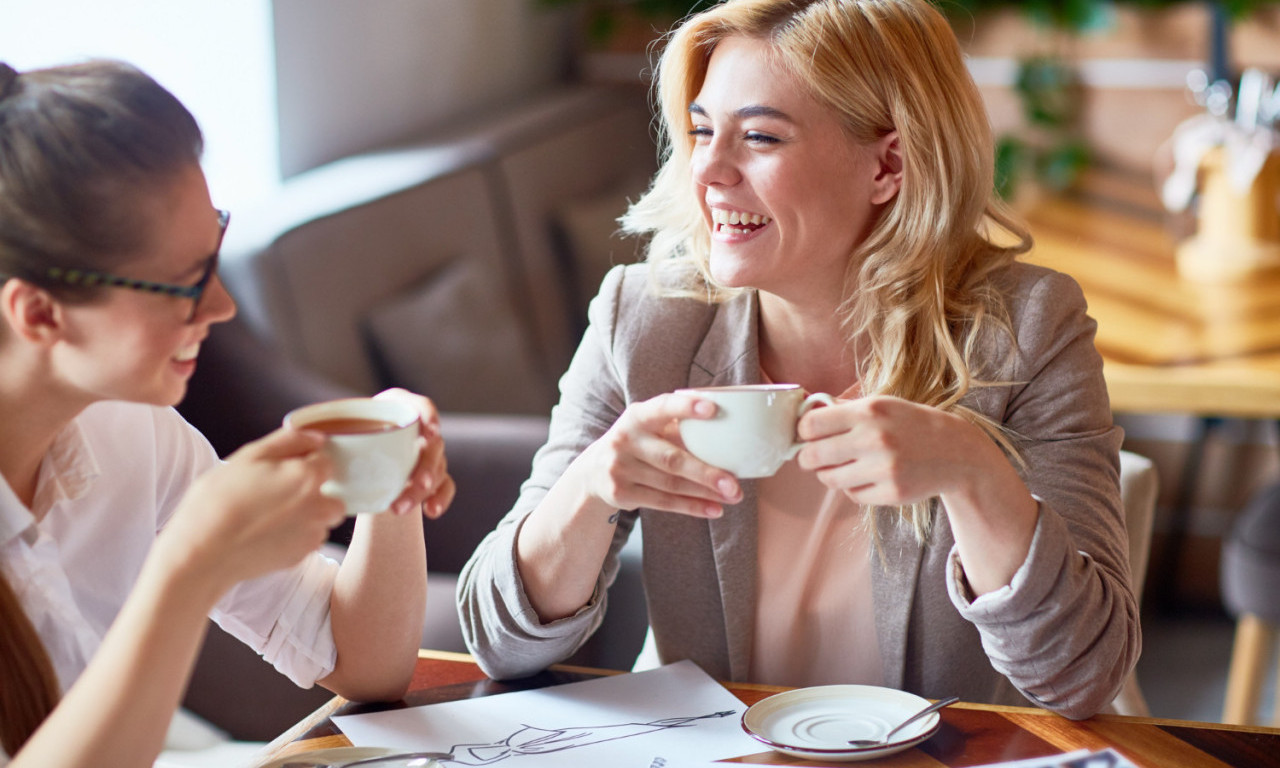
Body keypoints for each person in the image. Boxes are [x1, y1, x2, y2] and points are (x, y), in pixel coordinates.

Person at [458, 0, 1138, 720]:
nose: (709, 171)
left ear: (888, 165)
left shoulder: (1027, 329)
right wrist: (592, 485)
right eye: (699, 132)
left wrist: (976, 474)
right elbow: (499, 645)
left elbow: (1083, 676)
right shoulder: (646, 317)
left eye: (758, 137)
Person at [0, 60, 455, 767]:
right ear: (38, 313)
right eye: (185, 284)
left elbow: (364, 663)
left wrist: (385, 469)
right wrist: (189, 569)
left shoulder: (130, 432)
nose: (221, 307)